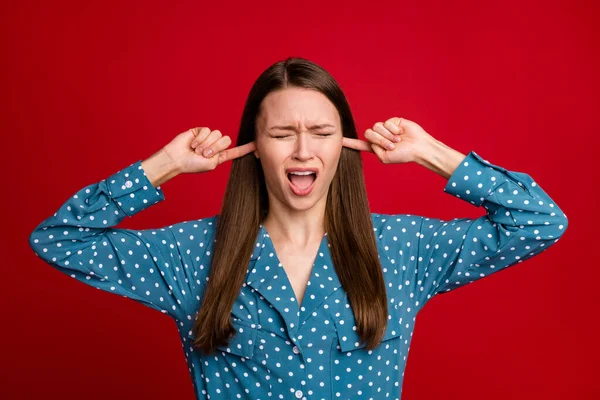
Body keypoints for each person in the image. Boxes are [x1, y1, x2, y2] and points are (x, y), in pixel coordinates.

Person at [28, 57, 568, 400]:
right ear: (253, 148)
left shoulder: (404, 248)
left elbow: (540, 221)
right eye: (283, 133)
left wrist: (429, 153)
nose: (304, 150)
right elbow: (57, 239)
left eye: (322, 132)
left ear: (345, 146)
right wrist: (164, 164)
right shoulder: (194, 252)